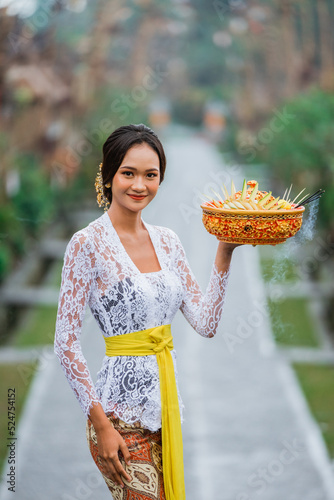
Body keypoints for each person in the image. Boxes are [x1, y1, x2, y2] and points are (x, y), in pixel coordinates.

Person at [54, 123, 239, 500]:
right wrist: (101, 425)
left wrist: (224, 252)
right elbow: (66, 342)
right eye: (129, 173)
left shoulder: (168, 241)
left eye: (151, 175)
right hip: (116, 419)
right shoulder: (87, 245)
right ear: (107, 176)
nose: (140, 185)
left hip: (163, 411)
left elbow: (206, 324)